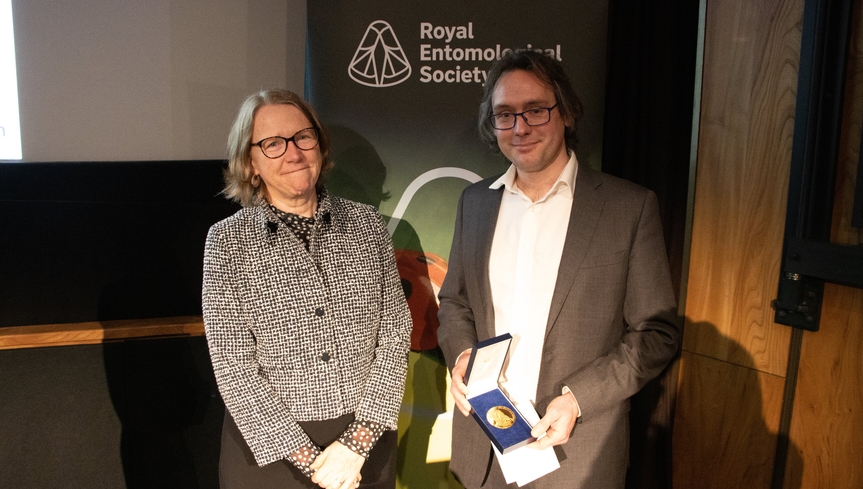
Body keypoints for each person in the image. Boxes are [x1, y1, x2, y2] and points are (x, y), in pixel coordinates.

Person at [437, 50, 681, 488]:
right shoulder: (475, 203)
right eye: (505, 114)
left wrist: (578, 399)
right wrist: (462, 355)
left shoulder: (627, 208)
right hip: (484, 451)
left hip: (577, 456)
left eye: (536, 110)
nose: (520, 127)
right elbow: (455, 301)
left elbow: (655, 333)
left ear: (566, 113)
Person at [202, 89, 412, 489]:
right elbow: (233, 367)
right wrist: (315, 462)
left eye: (303, 136)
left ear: (320, 144)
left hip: (365, 447)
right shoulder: (227, 242)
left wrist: (357, 443)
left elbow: (395, 335)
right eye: (273, 143)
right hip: (269, 455)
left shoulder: (367, 225)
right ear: (250, 163)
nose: (294, 153)